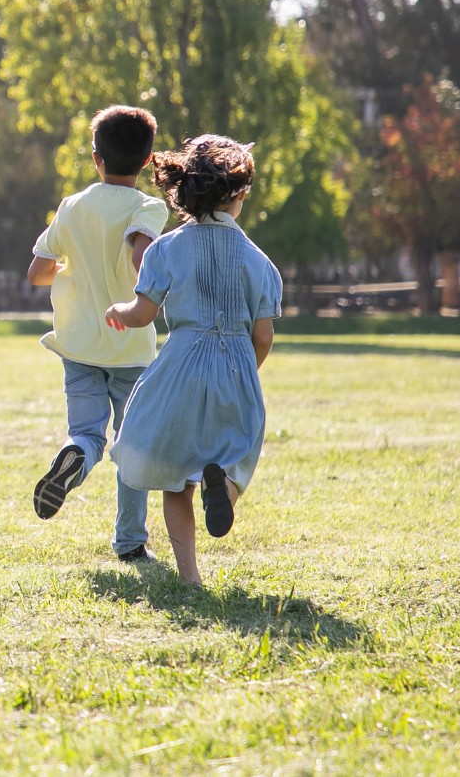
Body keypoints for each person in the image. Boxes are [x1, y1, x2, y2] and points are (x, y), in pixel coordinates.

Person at [105, 135, 282, 586]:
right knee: (236, 454)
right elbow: (264, 334)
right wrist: (245, 370)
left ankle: (190, 578)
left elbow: (143, 314)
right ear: (239, 194)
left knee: (173, 474)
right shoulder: (260, 262)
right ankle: (223, 487)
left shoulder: (165, 248)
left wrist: (118, 311)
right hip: (237, 364)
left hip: (181, 363)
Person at [26, 106, 169, 563]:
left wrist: (76, 268)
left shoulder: (72, 206)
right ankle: (130, 542)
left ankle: (73, 456)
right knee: (132, 444)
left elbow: (37, 272)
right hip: (129, 345)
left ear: (95, 158)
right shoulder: (148, 206)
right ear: (147, 161)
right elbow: (140, 255)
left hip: (79, 344)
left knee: (86, 433)